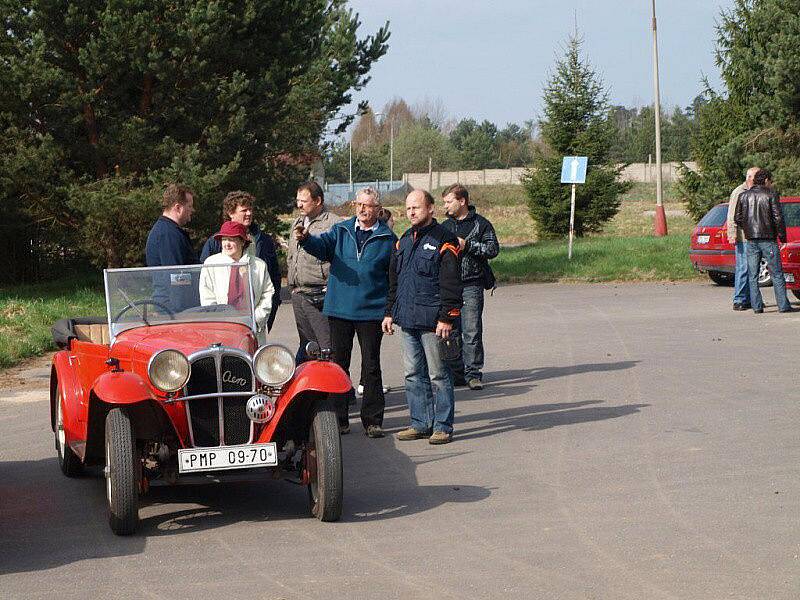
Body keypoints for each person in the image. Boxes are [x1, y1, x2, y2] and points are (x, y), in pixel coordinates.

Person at [295, 187, 397, 437]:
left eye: (368, 205)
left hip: (371, 312)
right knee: (339, 365)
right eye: (358, 204)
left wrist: (389, 311)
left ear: (378, 209)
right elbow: (321, 246)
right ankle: (339, 419)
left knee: (371, 366)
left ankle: (372, 420)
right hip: (340, 309)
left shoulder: (388, 239)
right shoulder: (341, 231)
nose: (362, 209)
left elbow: (393, 279)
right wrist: (306, 239)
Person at [383, 190, 463, 445]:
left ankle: (442, 425)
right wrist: (389, 312)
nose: (412, 212)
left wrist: (447, 318)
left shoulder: (445, 240)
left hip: (433, 322)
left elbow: (451, 284)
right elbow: (394, 282)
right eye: (408, 209)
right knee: (412, 374)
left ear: (431, 209)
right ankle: (420, 422)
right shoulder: (403, 241)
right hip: (407, 319)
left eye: (417, 207)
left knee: (438, 375)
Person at [441, 184, 499, 390]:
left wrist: (469, 245)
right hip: (449, 287)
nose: (446, 206)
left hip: (472, 284)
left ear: (462, 201)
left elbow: (493, 249)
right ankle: (456, 373)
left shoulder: (481, 224)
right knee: (451, 331)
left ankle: (473, 373)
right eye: (444, 202)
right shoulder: (444, 227)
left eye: (449, 201)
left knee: (471, 330)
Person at [200, 191, 282, 332]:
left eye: (251, 209)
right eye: (244, 210)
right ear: (231, 213)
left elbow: (271, 283)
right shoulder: (213, 249)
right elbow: (207, 289)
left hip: (254, 324)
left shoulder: (263, 241)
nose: (249, 213)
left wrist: (260, 318)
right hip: (222, 327)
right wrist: (217, 320)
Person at [287, 181, 342, 361]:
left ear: (318, 201)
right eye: (298, 200)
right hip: (299, 294)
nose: (299, 205)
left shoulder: (333, 223)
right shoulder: (297, 222)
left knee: (326, 347)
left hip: (320, 294)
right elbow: (292, 255)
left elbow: (339, 258)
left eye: (304, 200)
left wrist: (331, 286)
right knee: (307, 346)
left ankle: (331, 386)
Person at [199, 221, 274, 344]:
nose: (227, 244)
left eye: (231, 239)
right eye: (224, 239)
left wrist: (255, 319)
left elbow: (267, 293)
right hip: (221, 331)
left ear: (243, 241)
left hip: (252, 331)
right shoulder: (211, 264)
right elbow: (207, 297)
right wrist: (219, 322)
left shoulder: (259, 266)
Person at [734, 169, 794, 314]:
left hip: (751, 240)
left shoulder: (743, 195)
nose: (771, 183)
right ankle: (783, 305)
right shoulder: (771, 194)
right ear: (766, 180)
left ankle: (757, 306)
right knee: (777, 273)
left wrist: (748, 229)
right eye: (770, 180)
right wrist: (782, 237)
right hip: (768, 239)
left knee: (753, 275)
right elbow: (778, 218)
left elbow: (738, 218)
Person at [145, 183, 199, 311]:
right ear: (178, 208)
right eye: (190, 206)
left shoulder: (169, 231)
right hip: (174, 310)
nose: (192, 210)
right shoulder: (168, 235)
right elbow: (175, 277)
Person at [727, 167, 759, 310]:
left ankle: (751, 299)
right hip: (742, 237)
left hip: (753, 236)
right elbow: (731, 215)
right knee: (743, 268)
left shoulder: (756, 191)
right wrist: (732, 234)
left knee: (753, 269)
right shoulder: (739, 192)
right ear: (750, 177)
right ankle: (739, 299)